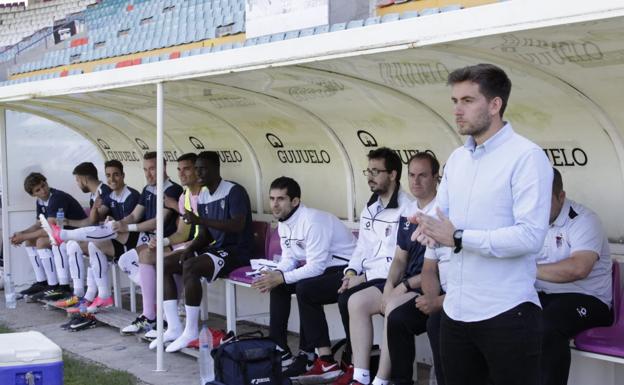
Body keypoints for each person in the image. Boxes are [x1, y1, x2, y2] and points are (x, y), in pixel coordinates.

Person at [412, 63, 553, 385]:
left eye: (467, 100)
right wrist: (427, 227)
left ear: (495, 105)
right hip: (457, 313)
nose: (457, 111)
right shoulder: (458, 159)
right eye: (454, 101)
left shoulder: (527, 157)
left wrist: (459, 237)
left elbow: (530, 236)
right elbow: (442, 220)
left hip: (507, 313)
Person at [251, 176, 356, 380]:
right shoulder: (284, 222)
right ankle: (280, 349)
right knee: (279, 286)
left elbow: (316, 267)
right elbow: (289, 258)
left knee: (305, 288)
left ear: (295, 201)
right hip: (324, 270)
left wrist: (282, 277)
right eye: (272, 198)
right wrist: (275, 274)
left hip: (346, 270)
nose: (274, 204)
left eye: (281, 199)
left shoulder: (313, 220)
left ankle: (317, 357)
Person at [327, 148, 413, 385]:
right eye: (368, 171)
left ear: (393, 174)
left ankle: (379, 378)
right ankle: (360, 375)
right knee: (346, 296)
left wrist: (363, 278)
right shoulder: (371, 207)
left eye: (377, 171)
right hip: (370, 275)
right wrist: (351, 272)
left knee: (353, 300)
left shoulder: (407, 208)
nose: (370, 176)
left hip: (393, 278)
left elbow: (397, 261)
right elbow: (361, 248)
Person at [157, 151, 253, 352]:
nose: (198, 173)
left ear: (215, 169)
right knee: (166, 263)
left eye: (202, 168)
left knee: (191, 267)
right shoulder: (204, 195)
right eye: (196, 168)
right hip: (216, 250)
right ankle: (174, 328)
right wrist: (190, 248)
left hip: (237, 252)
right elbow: (206, 235)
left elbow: (237, 225)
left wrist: (200, 221)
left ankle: (191, 331)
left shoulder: (234, 191)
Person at [536, 168, 613, 385]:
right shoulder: (528, 220)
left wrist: (527, 270)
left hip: (589, 299)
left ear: (561, 196)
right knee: (499, 315)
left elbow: (579, 268)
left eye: (543, 201)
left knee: (547, 325)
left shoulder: (584, 220)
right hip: (544, 296)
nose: (536, 208)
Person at [121, 152, 202, 335]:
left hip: (202, 247)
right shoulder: (184, 196)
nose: (182, 173)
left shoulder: (179, 192)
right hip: (178, 241)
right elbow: (182, 232)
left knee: (165, 261)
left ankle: (168, 318)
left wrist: (130, 229)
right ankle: (152, 315)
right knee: (142, 257)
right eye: (180, 169)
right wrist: (162, 242)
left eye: (187, 169)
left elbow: (163, 222)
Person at [10, 172, 87, 300]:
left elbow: (50, 229)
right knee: (30, 241)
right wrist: (22, 234)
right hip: (63, 232)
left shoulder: (56, 197)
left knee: (40, 242)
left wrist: (23, 237)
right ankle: (42, 283)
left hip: (77, 232)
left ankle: (57, 286)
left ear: (46, 182)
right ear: (33, 194)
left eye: (43, 185)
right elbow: (39, 224)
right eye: (38, 190)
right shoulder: (40, 201)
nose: (43, 190)